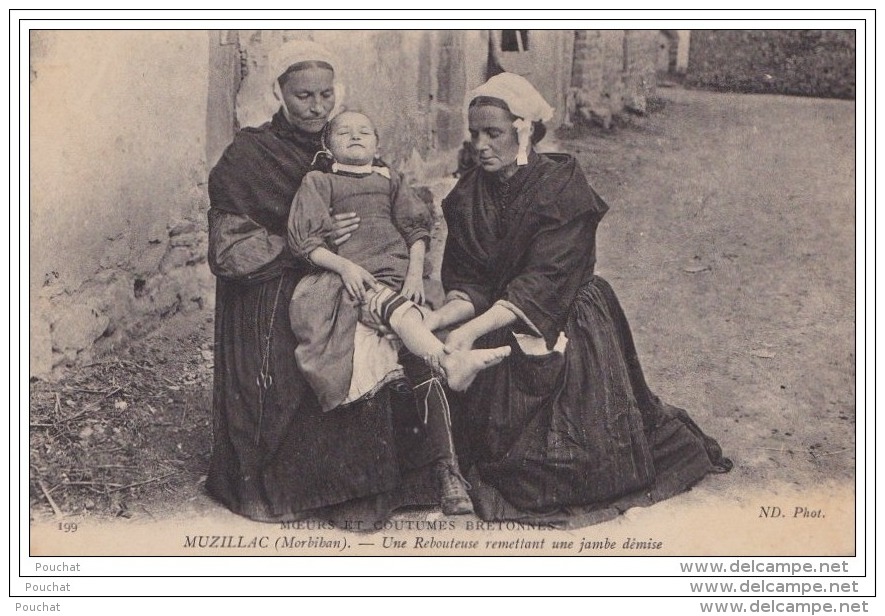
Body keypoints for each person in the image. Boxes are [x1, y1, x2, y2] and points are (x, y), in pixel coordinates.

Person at [426, 73, 732, 525]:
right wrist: (438, 321)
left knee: (561, 467)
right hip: (498, 318)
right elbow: (470, 279)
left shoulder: (561, 184)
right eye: (475, 134)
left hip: (564, 313)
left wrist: (468, 332)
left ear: (524, 130)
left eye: (494, 133)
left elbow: (545, 281)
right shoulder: (467, 195)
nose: (481, 144)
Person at [205, 40, 442, 523]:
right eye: (303, 96)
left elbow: (387, 211)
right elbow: (230, 251)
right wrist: (310, 244)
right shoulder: (250, 155)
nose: (316, 108)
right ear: (279, 93)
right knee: (312, 345)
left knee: (377, 334)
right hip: (271, 287)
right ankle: (291, 487)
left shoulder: (342, 142)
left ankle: (372, 483)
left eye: (325, 95)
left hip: (348, 280)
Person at [287, 110, 509, 513]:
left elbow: (416, 231)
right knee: (406, 334)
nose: (355, 136)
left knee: (412, 350)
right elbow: (305, 242)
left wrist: (415, 277)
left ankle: (447, 472)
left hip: (397, 284)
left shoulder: (389, 180)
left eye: (365, 131)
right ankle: (447, 360)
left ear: (377, 143)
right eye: (344, 132)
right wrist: (346, 266)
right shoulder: (318, 181)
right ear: (327, 144)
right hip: (349, 284)